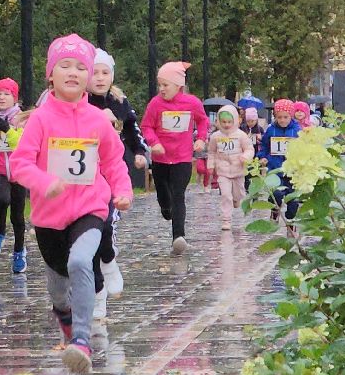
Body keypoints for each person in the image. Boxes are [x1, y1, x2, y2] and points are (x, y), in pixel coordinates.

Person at [8, 34, 133, 374]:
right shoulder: (41, 120)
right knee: (58, 289)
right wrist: (44, 183)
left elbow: (113, 161)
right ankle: (64, 316)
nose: (73, 72)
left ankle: (81, 339)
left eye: (82, 67)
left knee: (81, 261)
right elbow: (20, 165)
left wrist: (122, 191)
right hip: (49, 218)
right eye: (65, 66)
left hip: (90, 209)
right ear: (51, 74)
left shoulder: (97, 120)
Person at [86, 48, 147, 299]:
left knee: (107, 224)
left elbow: (133, 129)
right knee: (91, 227)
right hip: (86, 172)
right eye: (94, 72)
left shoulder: (119, 101)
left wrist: (140, 151)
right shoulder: (79, 101)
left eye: (105, 73)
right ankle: (95, 284)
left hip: (113, 170)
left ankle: (109, 260)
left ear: (112, 76)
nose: (99, 78)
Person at [139, 61, 208, 256]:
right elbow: (146, 126)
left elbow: (203, 121)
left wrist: (201, 139)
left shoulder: (192, 103)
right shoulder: (155, 104)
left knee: (179, 195)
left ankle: (179, 236)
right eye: (159, 85)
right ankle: (165, 208)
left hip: (182, 158)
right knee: (164, 195)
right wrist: (154, 143)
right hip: (161, 159)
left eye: (165, 85)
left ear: (178, 85)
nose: (161, 89)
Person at [0, 78, 28, 274]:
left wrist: (7, 129)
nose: (2, 97)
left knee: (17, 216)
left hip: (18, 171)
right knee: (3, 198)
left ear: (14, 98)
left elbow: (21, 144)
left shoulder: (22, 118)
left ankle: (19, 252)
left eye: (6, 94)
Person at [258, 99, 305, 231]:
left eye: (285, 117)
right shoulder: (271, 130)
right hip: (275, 169)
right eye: (279, 117)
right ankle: (274, 211)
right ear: (275, 117)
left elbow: (303, 149)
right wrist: (263, 157)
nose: (282, 120)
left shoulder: (297, 131)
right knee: (276, 194)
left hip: (292, 171)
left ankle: (291, 221)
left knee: (293, 200)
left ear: (291, 116)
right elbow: (264, 146)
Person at [207, 106, 253, 232]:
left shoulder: (241, 135)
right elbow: (211, 152)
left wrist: (245, 156)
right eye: (223, 122)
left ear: (235, 121)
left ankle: (237, 200)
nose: (226, 125)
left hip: (238, 170)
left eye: (229, 122)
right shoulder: (215, 136)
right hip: (222, 171)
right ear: (219, 122)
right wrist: (210, 165)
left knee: (239, 193)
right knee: (226, 195)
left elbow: (249, 149)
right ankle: (226, 219)